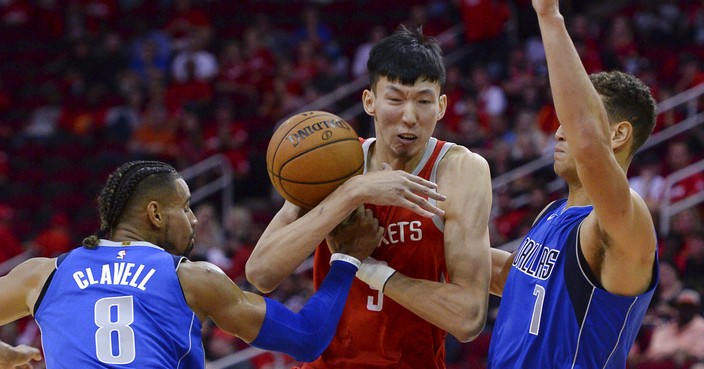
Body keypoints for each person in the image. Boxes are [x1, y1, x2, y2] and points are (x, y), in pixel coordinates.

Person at [246, 25, 493, 368]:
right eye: (395, 99)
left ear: (441, 106)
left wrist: (368, 268)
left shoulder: (461, 171)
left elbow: (468, 318)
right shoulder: (333, 165)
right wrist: (353, 191)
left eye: (423, 101)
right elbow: (261, 273)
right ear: (369, 101)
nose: (409, 117)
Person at [0, 160, 384, 368]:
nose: (195, 219)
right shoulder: (190, 277)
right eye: (184, 207)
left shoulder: (43, 273)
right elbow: (306, 339)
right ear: (154, 213)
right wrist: (347, 257)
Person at [487, 1, 659, 368]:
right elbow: (518, 281)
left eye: (570, 117)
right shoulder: (554, 212)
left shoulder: (626, 219)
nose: (559, 131)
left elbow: (588, 144)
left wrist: (548, 15)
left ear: (618, 134)